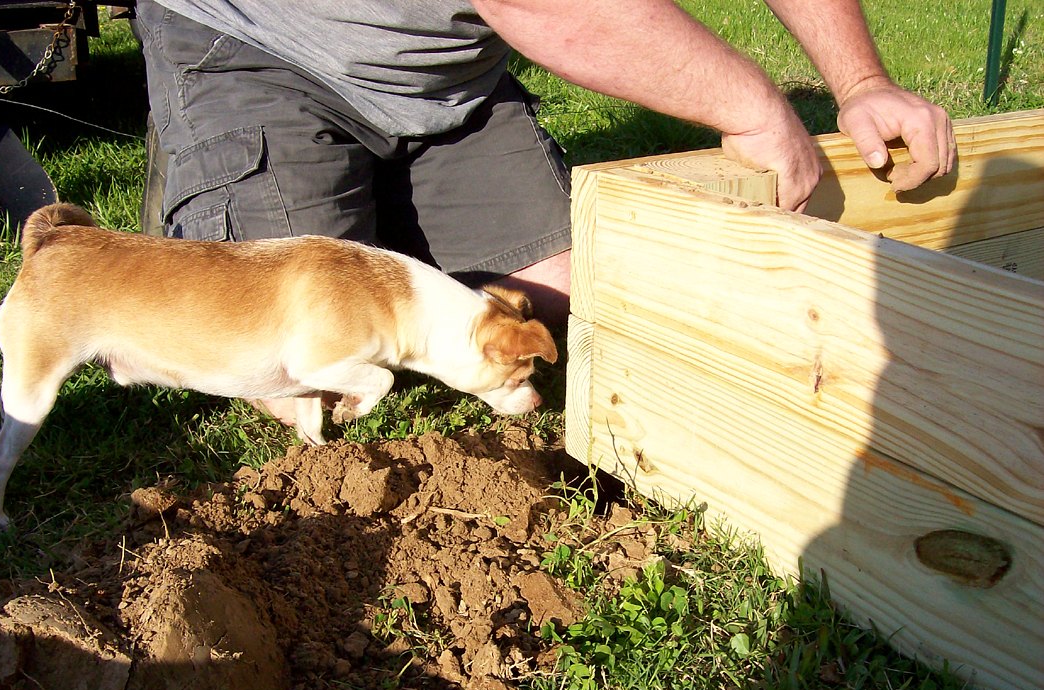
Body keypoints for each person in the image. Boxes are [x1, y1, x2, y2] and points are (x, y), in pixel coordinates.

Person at [131, 0, 955, 419]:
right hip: (260, 46)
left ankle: (373, 201)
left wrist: (862, 84)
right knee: (295, 374)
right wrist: (752, 109)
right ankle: (220, 167)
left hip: (445, 87)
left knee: (560, 308)